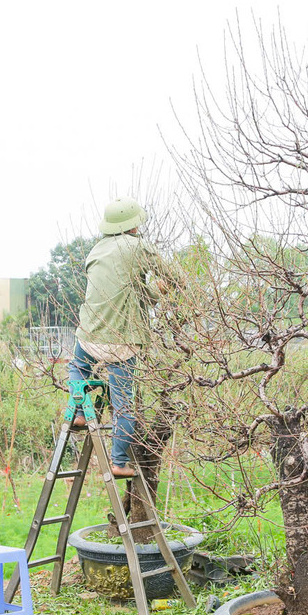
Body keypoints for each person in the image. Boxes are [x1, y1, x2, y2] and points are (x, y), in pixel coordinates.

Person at [69, 197, 175, 478]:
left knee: (77, 367)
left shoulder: (96, 250)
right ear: (134, 225)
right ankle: (118, 463)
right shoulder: (140, 247)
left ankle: (79, 412)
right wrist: (159, 291)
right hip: (123, 342)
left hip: (90, 335)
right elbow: (174, 278)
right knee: (123, 405)